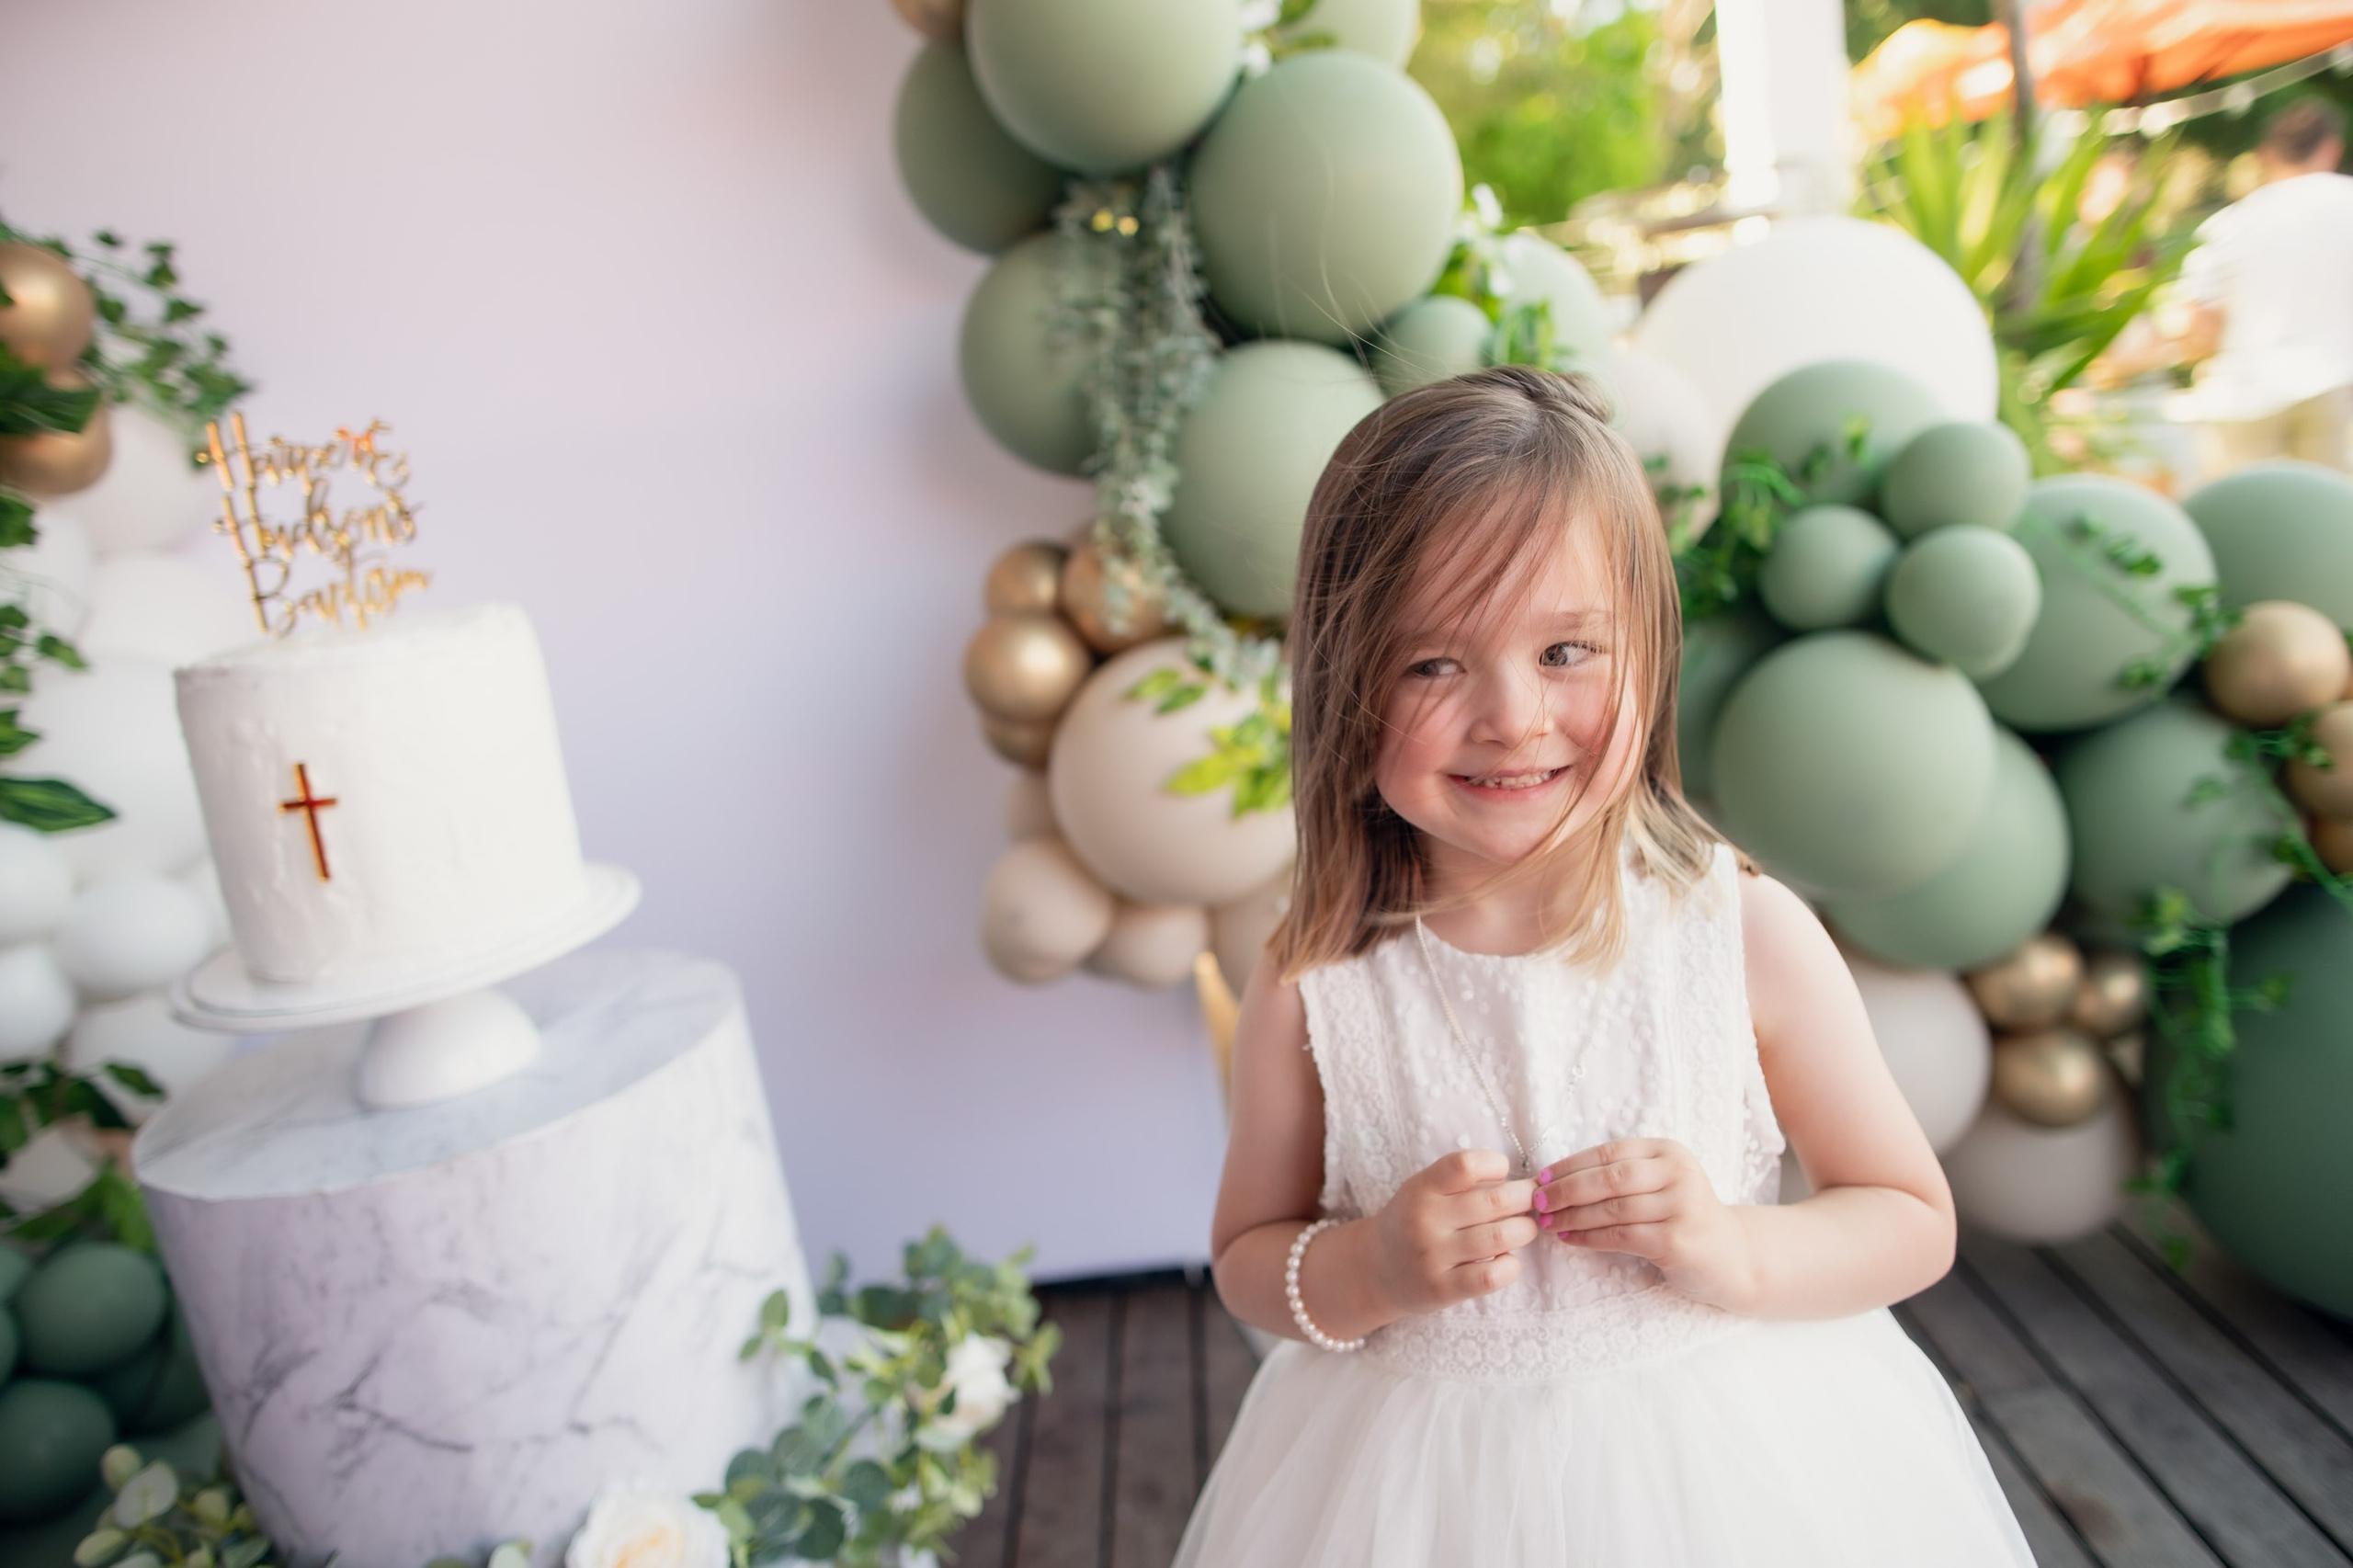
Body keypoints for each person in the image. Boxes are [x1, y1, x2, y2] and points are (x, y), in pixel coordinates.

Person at [1173, 368, 2032, 1567]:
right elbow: (1249, 1258)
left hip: (1728, 1473)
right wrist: (1368, 1266)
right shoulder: (1318, 975)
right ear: (1341, 677)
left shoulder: (1742, 933)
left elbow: (1908, 1217)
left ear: (1646, 644)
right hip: (1418, 1494)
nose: (1513, 715)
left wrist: (1735, 1245)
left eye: (1567, 647)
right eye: (1432, 663)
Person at [2177, 97, 2353, 473]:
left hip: (2247, 391)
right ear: (2332, 148)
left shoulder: (2233, 223)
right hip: (2339, 385)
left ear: (2267, 154)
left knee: (2248, 519)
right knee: (2338, 517)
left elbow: (2200, 328)